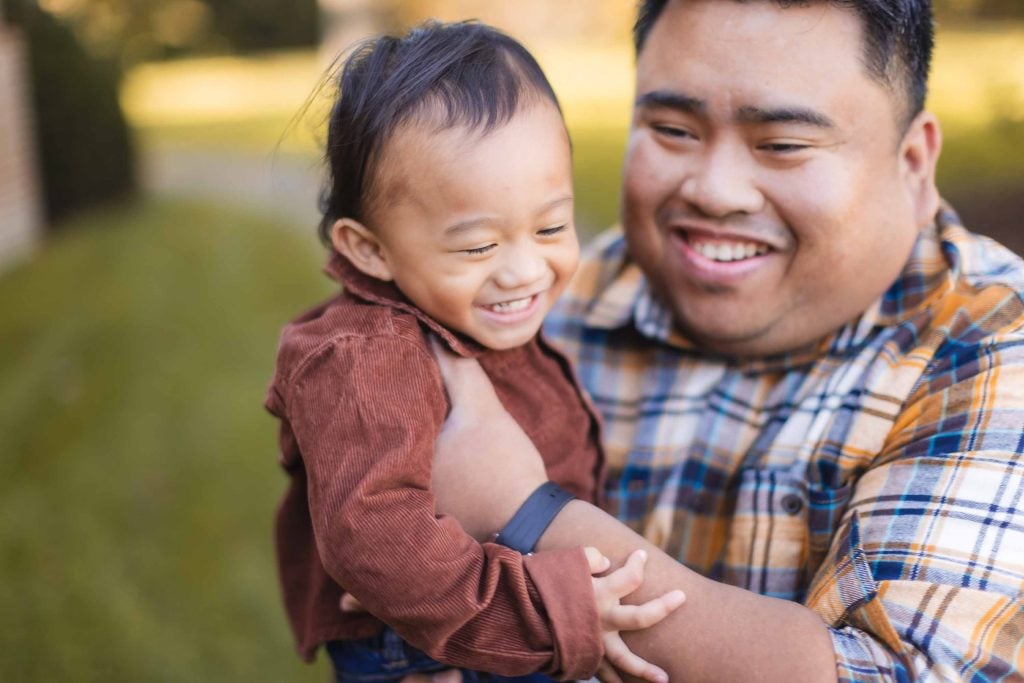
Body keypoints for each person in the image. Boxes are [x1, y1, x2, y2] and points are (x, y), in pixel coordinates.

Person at [424, 1, 1024, 681]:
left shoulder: (991, 347)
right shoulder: (568, 296)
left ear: (912, 162)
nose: (713, 190)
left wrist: (522, 512)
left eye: (782, 144)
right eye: (673, 129)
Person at [263, 20, 684, 683]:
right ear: (369, 248)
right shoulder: (365, 357)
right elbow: (377, 541)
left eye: (551, 225)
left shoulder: (465, 313)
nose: (522, 270)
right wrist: (554, 612)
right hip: (443, 647)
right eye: (478, 246)